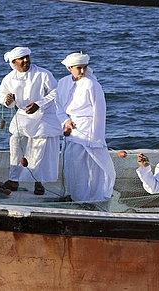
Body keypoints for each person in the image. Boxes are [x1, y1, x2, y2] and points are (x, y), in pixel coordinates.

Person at [0, 46, 62, 195]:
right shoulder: (9, 79)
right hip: (22, 114)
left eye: (27, 57)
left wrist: (39, 104)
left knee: (38, 147)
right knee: (15, 143)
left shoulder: (42, 74)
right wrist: (8, 101)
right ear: (14, 62)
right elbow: (1, 97)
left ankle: (37, 182)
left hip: (43, 114)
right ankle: (13, 180)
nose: (26, 60)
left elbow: (56, 91)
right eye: (22, 58)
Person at [55, 52, 115, 202]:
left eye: (85, 67)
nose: (82, 71)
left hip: (89, 131)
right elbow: (59, 107)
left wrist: (96, 138)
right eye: (79, 68)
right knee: (73, 166)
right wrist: (65, 122)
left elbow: (99, 112)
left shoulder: (91, 84)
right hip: (71, 132)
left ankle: (94, 198)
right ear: (69, 68)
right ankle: (76, 197)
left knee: (93, 168)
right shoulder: (62, 83)